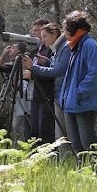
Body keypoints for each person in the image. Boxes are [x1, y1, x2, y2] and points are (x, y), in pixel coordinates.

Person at [22, 23, 71, 159]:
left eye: (44, 36)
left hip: (57, 96)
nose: (42, 39)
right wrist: (48, 62)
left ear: (54, 34)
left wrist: (34, 68)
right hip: (55, 96)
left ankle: (62, 162)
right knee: (47, 133)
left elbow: (58, 71)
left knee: (61, 135)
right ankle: (56, 162)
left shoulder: (65, 47)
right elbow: (56, 67)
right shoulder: (57, 49)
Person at [59, 10, 97, 164]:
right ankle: (83, 178)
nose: (63, 32)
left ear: (73, 28)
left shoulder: (89, 44)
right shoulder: (74, 46)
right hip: (72, 105)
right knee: (77, 146)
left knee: (89, 145)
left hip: (83, 104)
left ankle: (96, 176)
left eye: (64, 29)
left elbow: (94, 73)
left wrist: (78, 93)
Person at [24, 18, 55, 146]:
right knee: (34, 130)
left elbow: (53, 73)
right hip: (34, 96)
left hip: (45, 96)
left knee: (45, 131)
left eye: (37, 30)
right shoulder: (37, 49)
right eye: (33, 30)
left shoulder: (50, 50)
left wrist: (33, 75)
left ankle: (49, 160)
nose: (34, 33)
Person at [0, 44, 31, 148]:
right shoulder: (11, 63)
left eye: (13, 47)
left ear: (18, 50)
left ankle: (20, 148)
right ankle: (18, 146)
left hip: (22, 96)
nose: (10, 49)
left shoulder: (24, 60)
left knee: (18, 125)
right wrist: (4, 53)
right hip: (12, 97)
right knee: (15, 125)